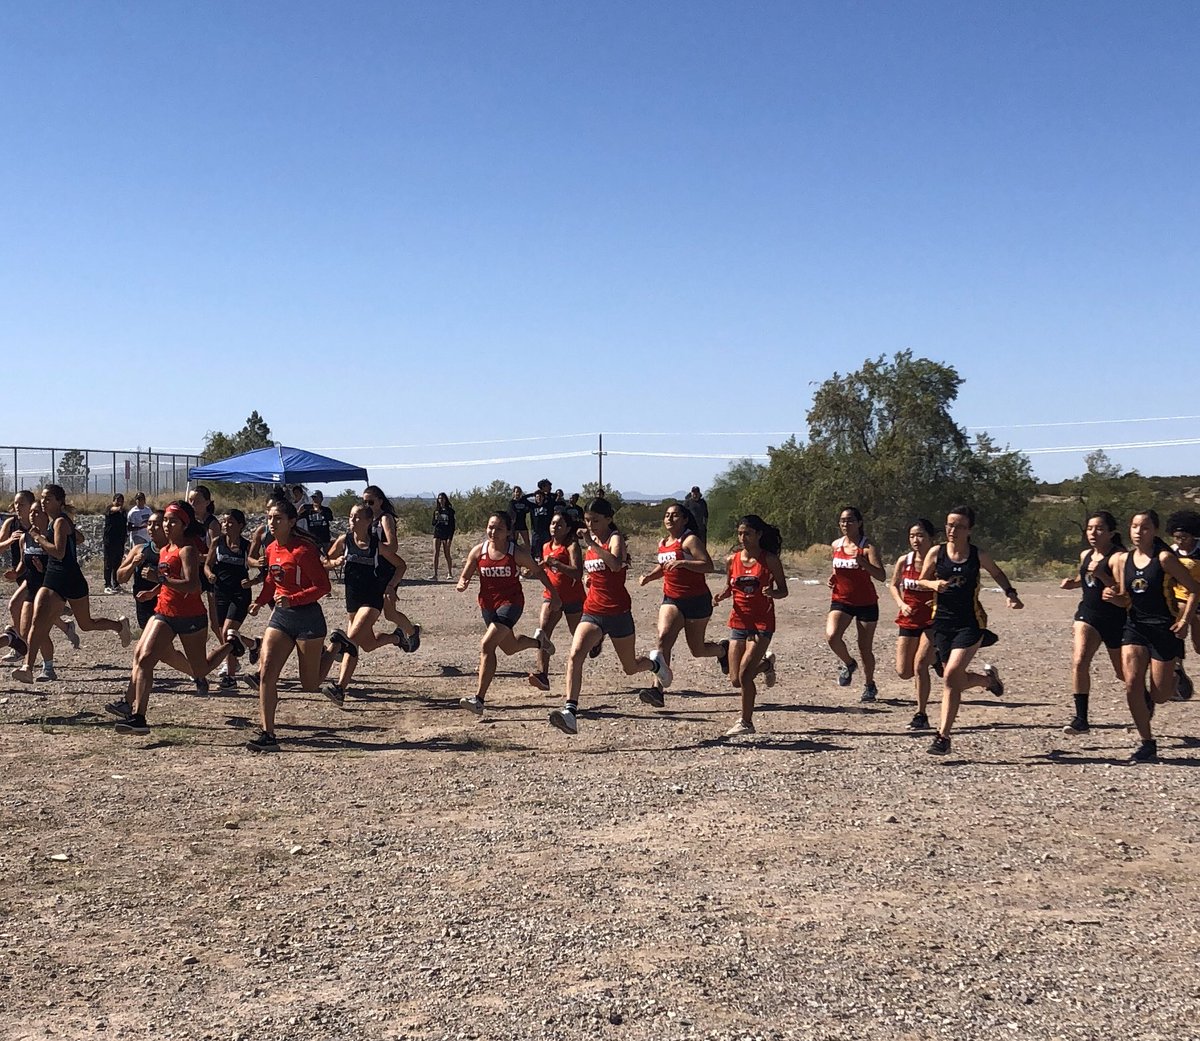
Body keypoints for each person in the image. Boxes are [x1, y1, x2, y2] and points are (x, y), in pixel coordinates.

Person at [548, 498, 670, 736]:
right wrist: (589, 578)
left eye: (595, 520)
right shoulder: (591, 544)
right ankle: (570, 712)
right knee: (575, 655)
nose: (590, 524)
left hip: (618, 612)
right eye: (587, 520)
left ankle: (655, 664)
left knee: (630, 667)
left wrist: (592, 543)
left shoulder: (614, 539)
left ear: (608, 519)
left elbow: (614, 565)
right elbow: (598, 571)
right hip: (593, 610)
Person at [916, 506, 1023, 756]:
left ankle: (942, 737)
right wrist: (933, 583)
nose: (952, 530)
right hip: (942, 623)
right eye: (949, 525)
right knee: (951, 678)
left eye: (959, 526)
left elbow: (997, 573)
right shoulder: (937, 552)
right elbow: (921, 581)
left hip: (970, 623)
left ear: (969, 530)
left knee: (952, 674)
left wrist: (1011, 594)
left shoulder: (977, 555)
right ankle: (988, 681)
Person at [242, 497, 338, 752]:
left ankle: (337, 646)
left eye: (278, 519)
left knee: (310, 684)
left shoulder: (303, 551)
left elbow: (323, 586)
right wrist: (260, 602)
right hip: (282, 619)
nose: (272, 523)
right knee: (266, 674)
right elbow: (272, 582)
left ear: (291, 522)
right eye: (269, 518)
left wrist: (293, 599)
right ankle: (268, 734)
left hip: (308, 619)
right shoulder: (271, 548)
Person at [113, 500, 214, 736]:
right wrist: (155, 590)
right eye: (165, 520)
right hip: (164, 613)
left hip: (190, 616)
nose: (167, 525)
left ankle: (232, 644)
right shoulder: (165, 549)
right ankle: (138, 717)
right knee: (145, 658)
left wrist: (161, 580)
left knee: (200, 669)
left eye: (172, 521)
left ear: (184, 525)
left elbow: (193, 585)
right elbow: (161, 582)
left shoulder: (186, 549)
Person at [1106, 509, 1200, 762]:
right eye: (1135, 527)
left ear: (1155, 531)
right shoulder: (1123, 560)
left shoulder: (1165, 559)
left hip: (1163, 628)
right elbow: (1126, 598)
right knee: (1132, 684)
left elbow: (1194, 590)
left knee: (1159, 695)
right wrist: (1115, 598)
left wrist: (1184, 620)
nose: (1139, 532)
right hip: (1135, 626)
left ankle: (1175, 675)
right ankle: (1147, 742)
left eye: (1145, 527)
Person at [12, 484, 130, 684]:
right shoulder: (53, 522)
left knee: (86, 624)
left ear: (59, 502)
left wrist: (38, 537)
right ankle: (28, 667)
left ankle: (119, 626)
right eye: (42, 498)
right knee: (38, 621)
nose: (43, 502)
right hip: (53, 577)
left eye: (48, 499)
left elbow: (58, 552)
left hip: (71, 578)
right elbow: (76, 539)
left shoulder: (59, 522)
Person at [456, 511, 558, 716]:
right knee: (510, 648)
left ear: (508, 532)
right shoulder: (478, 551)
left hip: (511, 603)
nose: (493, 532)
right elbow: (465, 574)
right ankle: (540, 643)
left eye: (499, 528)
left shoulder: (516, 553)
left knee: (487, 645)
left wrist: (554, 594)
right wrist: (463, 582)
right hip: (488, 605)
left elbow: (538, 572)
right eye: (490, 527)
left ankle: (479, 699)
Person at [638, 503, 724, 709]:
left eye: (675, 515)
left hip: (696, 600)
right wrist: (650, 577)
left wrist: (685, 563)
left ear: (684, 519)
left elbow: (708, 565)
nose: (669, 518)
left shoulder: (690, 540)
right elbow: (664, 565)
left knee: (698, 649)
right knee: (663, 639)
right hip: (672, 599)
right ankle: (657, 689)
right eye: (667, 515)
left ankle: (723, 651)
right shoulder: (663, 542)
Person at [321, 503, 408, 704]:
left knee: (351, 638)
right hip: (352, 600)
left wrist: (390, 586)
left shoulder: (377, 546)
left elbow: (400, 565)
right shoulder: (345, 541)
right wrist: (334, 563)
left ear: (369, 521)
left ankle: (339, 688)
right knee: (367, 644)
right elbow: (324, 561)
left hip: (372, 599)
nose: (353, 521)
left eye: (358, 517)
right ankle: (397, 638)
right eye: (351, 516)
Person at [712, 514, 787, 738]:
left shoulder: (770, 560)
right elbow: (730, 587)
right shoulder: (731, 560)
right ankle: (766, 665)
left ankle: (746, 722)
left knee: (745, 676)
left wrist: (772, 592)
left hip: (761, 622)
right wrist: (720, 596)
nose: (743, 538)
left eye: (748, 534)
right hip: (739, 621)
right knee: (736, 680)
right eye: (740, 533)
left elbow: (784, 590)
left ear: (759, 535)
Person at [1059, 511, 1126, 734]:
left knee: (1123, 674)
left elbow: (1123, 591)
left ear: (1111, 533)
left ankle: (1145, 697)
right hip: (1088, 614)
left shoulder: (1118, 557)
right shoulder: (1085, 554)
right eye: (1089, 528)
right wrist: (1073, 583)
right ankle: (1081, 719)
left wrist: (1103, 576)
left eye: (1099, 529)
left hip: (1115, 618)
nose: (1093, 533)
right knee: (1079, 661)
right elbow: (1087, 580)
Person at [826, 506, 886, 701]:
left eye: (850, 520)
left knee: (864, 647)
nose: (846, 524)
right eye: (843, 520)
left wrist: (864, 563)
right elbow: (837, 569)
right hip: (841, 600)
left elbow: (881, 576)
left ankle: (869, 685)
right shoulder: (836, 545)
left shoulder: (868, 547)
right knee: (832, 636)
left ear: (859, 523)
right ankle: (849, 663)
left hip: (866, 602)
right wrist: (833, 578)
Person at [527, 510, 585, 692]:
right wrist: (532, 571)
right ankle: (542, 674)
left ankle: (596, 642)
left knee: (578, 636)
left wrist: (557, 564)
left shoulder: (571, 546)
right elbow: (545, 570)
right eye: (553, 524)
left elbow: (577, 572)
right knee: (543, 632)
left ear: (568, 528)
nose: (555, 527)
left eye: (559, 525)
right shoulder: (545, 546)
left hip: (573, 598)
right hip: (552, 596)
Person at [888, 518, 938, 730]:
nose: (915, 540)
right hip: (908, 618)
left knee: (919, 666)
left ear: (930, 538)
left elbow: (949, 587)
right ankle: (987, 680)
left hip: (932, 621)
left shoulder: (939, 561)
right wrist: (900, 602)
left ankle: (921, 714)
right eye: (911, 536)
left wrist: (937, 599)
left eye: (920, 536)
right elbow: (893, 584)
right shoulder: (904, 560)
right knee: (903, 672)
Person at [361, 486, 420, 651]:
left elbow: (393, 546)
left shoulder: (384, 519)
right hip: (371, 570)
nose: (367, 505)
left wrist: (375, 547)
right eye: (364, 502)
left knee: (389, 613)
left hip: (386, 570)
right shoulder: (366, 519)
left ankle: (411, 631)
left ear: (380, 501)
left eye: (370, 502)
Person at [204, 509, 253, 690]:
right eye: (224, 522)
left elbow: (263, 568)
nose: (226, 525)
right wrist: (209, 575)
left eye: (230, 522)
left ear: (240, 525)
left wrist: (253, 581)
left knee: (227, 633)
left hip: (240, 595)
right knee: (225, 635)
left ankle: (230, 678)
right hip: (221, 593)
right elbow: (208, 565)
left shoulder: (247, 546)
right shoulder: (217, 543)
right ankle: (253, 644)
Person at [1167, 510, 1200, 701]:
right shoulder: (1171, 553)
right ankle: (1178, 676)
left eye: (1184, 537)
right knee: (1174, 638)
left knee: (1198, 645)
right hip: (1178, 602)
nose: (1180, 541)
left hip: (1199, 602)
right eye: (1177, 537)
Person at [188, 485, 223, 639]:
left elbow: (213, 552)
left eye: (197, 501)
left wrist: (196, 556)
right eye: (190, 500)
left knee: (216, 623)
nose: (192, 504)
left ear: (207, 502)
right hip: (196, 570)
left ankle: (234, 654)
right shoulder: (188, 522)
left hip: (212, 572)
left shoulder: (212, 524)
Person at [102, 493, 127, 593]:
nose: (119, 502)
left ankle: (116, 584)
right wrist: (118, 508)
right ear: (113, 501)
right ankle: (107, 585)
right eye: (117, 500)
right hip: (110, 541)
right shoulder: (109, 509)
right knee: (108, 563)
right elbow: (113, 510)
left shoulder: (123, 512)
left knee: (117, 563)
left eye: (121, 500)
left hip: (119, 541)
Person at [431, 492, 456, 580]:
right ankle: (435, 574)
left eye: (442, 498)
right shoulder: (437, 510)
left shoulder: (450, 511)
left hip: (446, 534)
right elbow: (433, 523)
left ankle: (449, 573)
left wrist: (450, 538)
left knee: (447, 553)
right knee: (435, 553)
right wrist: (437, 519)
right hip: (438, 533)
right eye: (439, 498)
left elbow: (452, 526)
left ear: (445, 499)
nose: (441, 500)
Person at [529, 487, 554, 561]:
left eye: (540, 496)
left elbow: (554, 496)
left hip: (546, 531)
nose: (538, 498)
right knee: (535, 548)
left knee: (546, 547)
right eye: (537, 497)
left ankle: (545, 562)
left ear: (543, 497)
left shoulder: (548, 506)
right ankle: (534, 564)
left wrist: (545, 493)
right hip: (536, 531)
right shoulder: (532, 506)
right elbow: (524, 498)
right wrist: (532, 494)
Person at [509, 486, 533, 552]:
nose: (518, 493)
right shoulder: (511, 503)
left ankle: (528, 556)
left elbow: (529, 507)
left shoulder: (524, 501)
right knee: (514, 542)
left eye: (519, 492)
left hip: (523, 524)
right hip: (515, 525)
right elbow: (511, 513)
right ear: (514, 493)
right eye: (516, 492)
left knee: (527, 542)